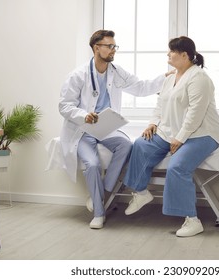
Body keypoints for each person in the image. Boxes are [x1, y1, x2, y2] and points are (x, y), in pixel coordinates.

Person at [59, 30, 171, 229]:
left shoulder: (116, 72)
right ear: (96, 48)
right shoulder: (77, 76)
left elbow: (141, 87)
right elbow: (64, 106)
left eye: (114, 46)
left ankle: (100, 194)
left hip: (107, 127)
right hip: (83, 130)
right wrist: (83, 115)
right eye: (109, 46)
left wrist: (165, 78)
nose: (113, 50)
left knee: (126, 144)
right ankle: (99, 214)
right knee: (92, 164)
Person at [122, 36, 219, 237]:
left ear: (184, 55)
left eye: (171, 51)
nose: (168, 54)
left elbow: (196, 112)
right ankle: (141, 192)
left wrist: (180, 138)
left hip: (202, 134)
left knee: (177, 166)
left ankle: (192, 220)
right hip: (171, 131)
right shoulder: (169, 78)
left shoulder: (200, 78)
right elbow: (160, 105)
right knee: (141, 144)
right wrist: (152, 123)